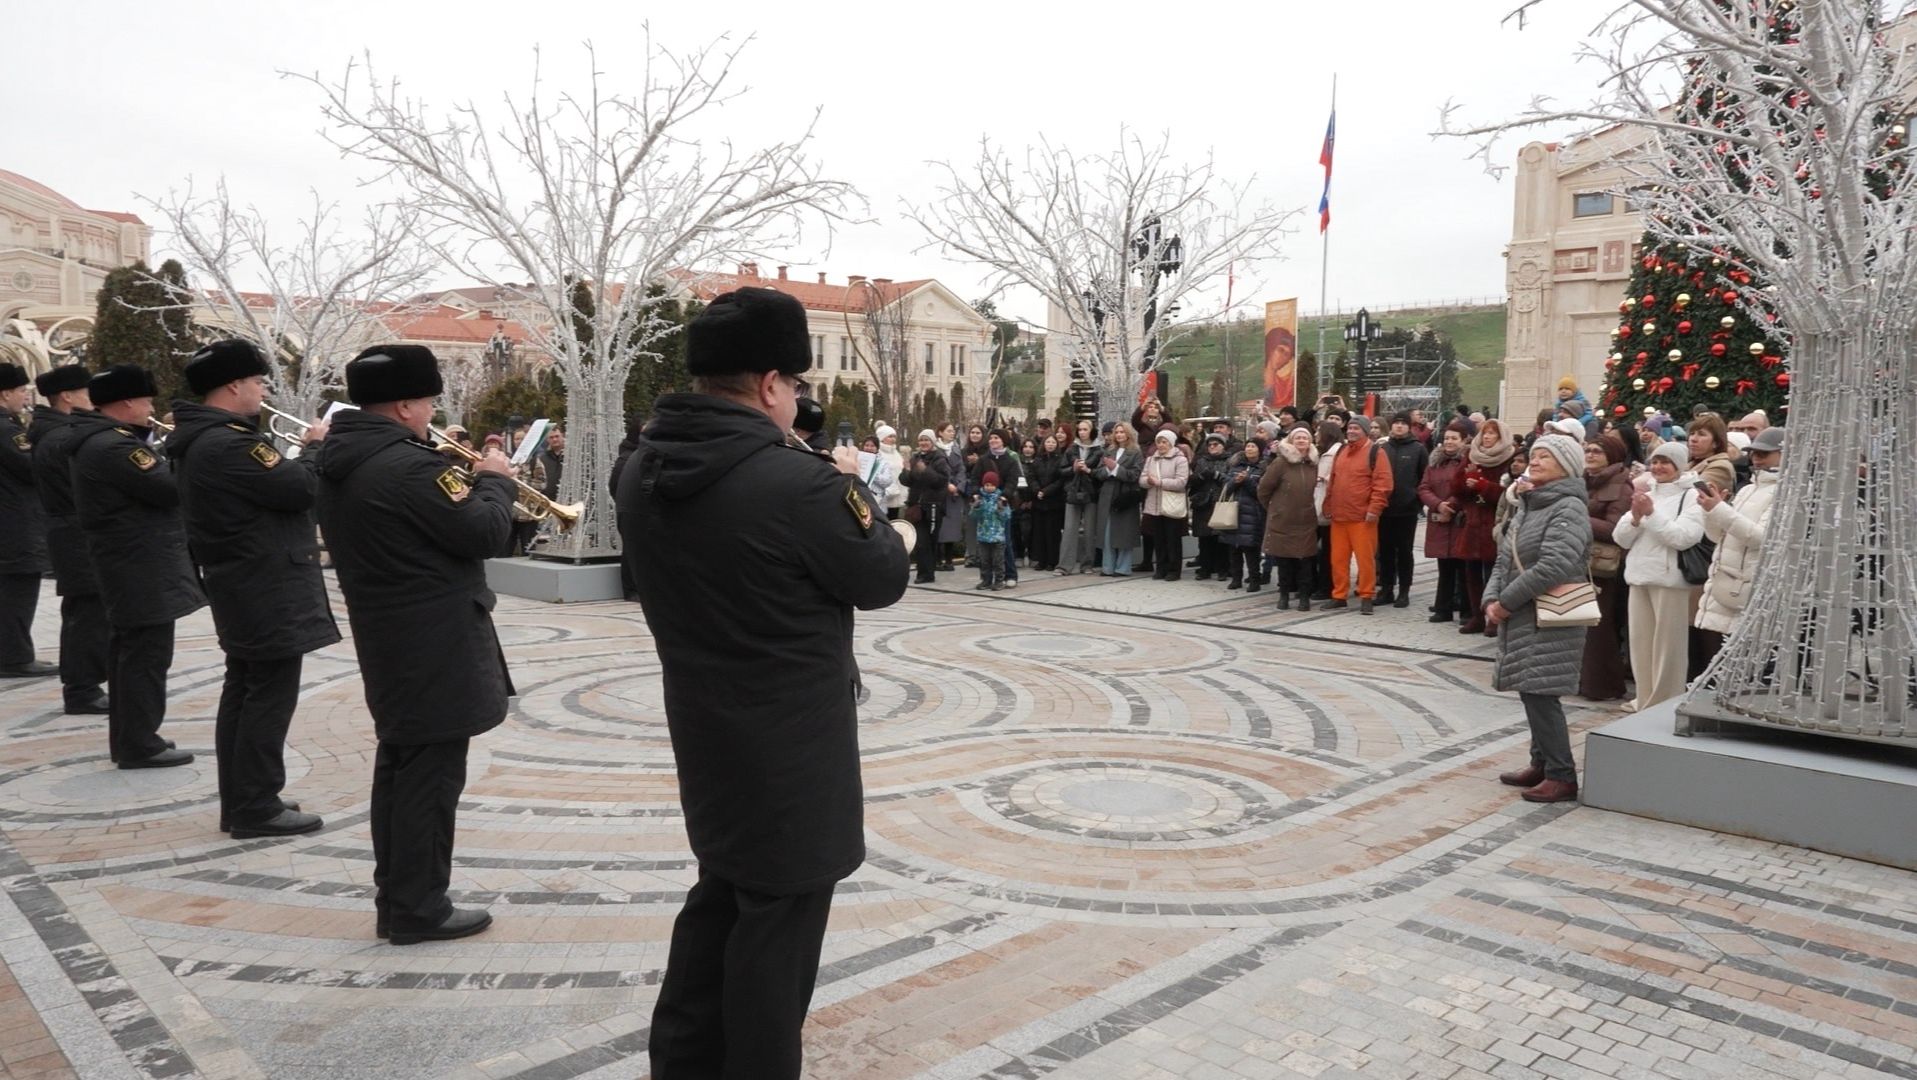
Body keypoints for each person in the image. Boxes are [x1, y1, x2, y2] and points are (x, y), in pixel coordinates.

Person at [613, 287, 908, 1079]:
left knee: (719, 905)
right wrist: (858, 491)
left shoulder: (639, 467)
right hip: (793, 748)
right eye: (798, 388)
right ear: (774, 382)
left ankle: (681, 1065)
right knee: (776, 944)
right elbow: (882, 577)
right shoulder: (799, 483)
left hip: (705, 725)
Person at [314, 344, 517, 945]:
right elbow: (483, 532)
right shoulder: (407, 467)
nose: (432, 412)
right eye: (428, 401)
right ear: (404, 404)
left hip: (394, 637)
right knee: (429, 780)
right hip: (434, 642)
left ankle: (401, 895)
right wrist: (495, 485)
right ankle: (417, 907)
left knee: (403, 771)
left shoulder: (343, 456)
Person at [166, 341, 339, 836]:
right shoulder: (230, 442)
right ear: (234, 386)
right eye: (259, 383)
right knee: (266, 695)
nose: (263, 392)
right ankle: (254, 807)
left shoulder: (207, 439)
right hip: (264, 583)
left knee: (245, 690)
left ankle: (247, 796)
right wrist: (314, 447)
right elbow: (299, 490)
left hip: (244, 580)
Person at [69, 366, 205, 768]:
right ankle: (139, 743)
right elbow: (169, 489)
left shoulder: (104, 440)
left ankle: (135, 737)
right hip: (138, 565)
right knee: (145, 658)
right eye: (147, 401)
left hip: (129, 561)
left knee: (133, 655)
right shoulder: (116, 446)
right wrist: (180, 449)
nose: (151, 409)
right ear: (128, 402)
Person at [1484, 434, 1593, 804]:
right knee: (1531, 688)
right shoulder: (1529, 503)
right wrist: (1491, 598)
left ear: (1568, 465)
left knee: (1541, 691)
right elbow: (1504, 557)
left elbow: (1555, 565)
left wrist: (1506, 603)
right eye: (1534, 454)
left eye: (1546, 455)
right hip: (1524, 611)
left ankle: (1562, 775)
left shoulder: (1569, 507)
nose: (1536, 460)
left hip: (1551, 614)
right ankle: (1541, 762)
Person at [27, 365, 110, 711]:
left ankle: (83, 685)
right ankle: (82, 689)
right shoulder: (62, 438)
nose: (94, 400)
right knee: (87, 615)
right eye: (87, 392)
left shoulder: (57, 432)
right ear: (67, 396)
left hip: (72, 533)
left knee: (85, 613)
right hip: (77, 535)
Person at [1613, 442, 1707, 713]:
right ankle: (1644, 698)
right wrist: (1635, 517)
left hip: (1670, 580)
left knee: (1668, 648)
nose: (1658, 467)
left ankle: (1664, 702)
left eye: (1665, 462)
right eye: (1655, 462)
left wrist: (1651, 515)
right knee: (1641, 645)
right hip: (1639, 576)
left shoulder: (1691, 495)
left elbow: (1683, 538)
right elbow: (1622, 538)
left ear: (1679, 465)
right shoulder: (1648, 492)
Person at [1693, 427, 1784, 670]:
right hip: (1726, 584)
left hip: (1751, 588)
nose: (1756, 458)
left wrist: (1720, 510)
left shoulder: (1786, 492)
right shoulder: (1747, 489)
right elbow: (1717, 536)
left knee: (1746, 666)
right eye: (1754, 453)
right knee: (1722, 662)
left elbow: (1761, 539)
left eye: (1764, 453)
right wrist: (1711, 510)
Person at [0, 362, 54, 678]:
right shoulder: (7, 430)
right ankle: (15, 657)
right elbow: (33, 468)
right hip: (14, 526)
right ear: (5, 393)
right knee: (16, 595)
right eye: (21, 390)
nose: (25, 396)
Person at [1580, 433, 1635, 702]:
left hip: (1605, 565)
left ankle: (1602, 685)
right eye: (1588, 450)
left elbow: (1616, 530)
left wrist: (1579, 516)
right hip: (1582, 560)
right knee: (1583, 623)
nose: (1590, 455)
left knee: (1599, 627)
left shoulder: (1622, 486)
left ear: (1611, 456)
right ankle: (1587, 680)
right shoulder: (1585, 481)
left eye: (1597, 452)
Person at [1320, 416, 1394, 614]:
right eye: (1350, 428)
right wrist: (1328, 505)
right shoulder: (1342, 451)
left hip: (1363, 518)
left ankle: (1366, 596)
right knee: (1338, 559)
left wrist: (1374, 509)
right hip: (1339, 516)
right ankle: (1339, 595)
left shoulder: (1375, 452)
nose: (1352, 431)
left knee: (1365, 560)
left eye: (1356, 428)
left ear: (1365, 431)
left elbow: (1383, 485)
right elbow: (1333, 481)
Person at [1457, 418, 1516, 634]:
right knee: (1472, 572)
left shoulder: (1510, 457)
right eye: (1485, 433)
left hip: (1495, 523)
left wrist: (1483, 486)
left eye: (1494, 434)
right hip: (1473, 523)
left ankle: (1494, 617)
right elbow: (1457, 488)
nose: (1488, 437)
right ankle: (1477, 616)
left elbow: (1510, 494)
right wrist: (1467, 479)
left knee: (1495, 572)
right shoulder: (1472, 455)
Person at [1258, 425, 1320, 610]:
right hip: (1283, 520)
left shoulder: (1313, 463)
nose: (1302, 441)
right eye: (1298, 438)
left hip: (1307, 520)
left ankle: (1303, 597)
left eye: (1305, 438)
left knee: (1305, 561)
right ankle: (1284, 595)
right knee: (1284, 561)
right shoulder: (1281, 463)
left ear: (1310, 442)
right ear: (1291, 441)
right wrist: (1275, 509)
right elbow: (1263, 489)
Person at [1419, 421, 1472, 624]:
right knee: (1445, 567)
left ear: (1463, 440)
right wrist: (1438, 505)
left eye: (1454, 438)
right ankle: (1443, 608)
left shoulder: (1468, 462)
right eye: (1447, 438)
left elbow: (1466, 489)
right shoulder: (1434, 463)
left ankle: (1467, 610)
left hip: (1459, 521)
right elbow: (1423, 488)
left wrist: (1450, 506)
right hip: (1439, 520)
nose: (1449, 442)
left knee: (1464, 568)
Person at [1376, 412, 1429, 608]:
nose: (1399, 426)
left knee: (1405, 552)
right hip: (1385, 509)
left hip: (1407, 510)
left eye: (1403, 423)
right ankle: (1387, 589)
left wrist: (1416, 501)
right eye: (1396, 423)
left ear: (1409, 426)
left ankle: (1404, 591)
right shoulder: (1382, 448)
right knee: (1385, 551)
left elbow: (1425, 477)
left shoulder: (1418, 449)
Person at [1141, 428, 1191, 581]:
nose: (1161, 445)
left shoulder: (1180, 459)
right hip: (1154, 504)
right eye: (1159, 442)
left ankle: (1174, 570)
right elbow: (1142, 478)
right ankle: (1160, 568)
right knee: (1158, 539)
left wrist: (1160, 482)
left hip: (1171, 504)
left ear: (1171, 443)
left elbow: (1181, 482)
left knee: (1172, 539)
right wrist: (1147, 482)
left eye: (1164, 442)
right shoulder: (1151, 459)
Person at [1095, 422, 1144, 576]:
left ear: (1128, 434)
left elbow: (1135, 475)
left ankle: (1123, 567)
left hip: (1125, 496)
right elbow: (1097, 472)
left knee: (1124, 533)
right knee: (1107, 533)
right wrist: (1108, 471)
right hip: (1107, 495)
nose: (1119, 435)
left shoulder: (1136, 453)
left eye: (1122, 432)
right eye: (1117, 432)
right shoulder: (1109, 451)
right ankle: (1107, 567)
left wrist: (1116, 469)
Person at [903, 430, 951, 584]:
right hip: (916, 506)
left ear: (932, 442)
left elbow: (941, 481)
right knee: (920, 540)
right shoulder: (916, 458)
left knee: (929, 540)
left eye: (926, 440)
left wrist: (925, 470)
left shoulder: (940, 458)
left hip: (933, 506)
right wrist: (907, 471)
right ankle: (924, 572)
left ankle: (927, 573)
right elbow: (906, 481)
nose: (923, 443)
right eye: (921, 440)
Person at [1056, 419, 1102, 575]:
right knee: (1069, 529)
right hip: (1073, 492)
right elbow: (1061, 471)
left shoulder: (1099, 450)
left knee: (1089, 530)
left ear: (1091, 431)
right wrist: (1073, 468)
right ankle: (1064, 566)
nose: (1082, 432)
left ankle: (1087, 564)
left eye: (1085, 429)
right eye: (1080, 429)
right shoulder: (1071, 449)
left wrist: (1088, 470)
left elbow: (1101, 473)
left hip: (1091, 493)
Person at [1222, 439, 1267, 590]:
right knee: (1234, 548)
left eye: (1253, 446)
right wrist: (1236, 481)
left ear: (1260, 450)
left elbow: (1261, 492)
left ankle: (1255, 579)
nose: (1249, 449)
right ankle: (1236, 578)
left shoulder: (1263, 468)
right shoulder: (1235, 466)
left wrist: (1247, 481)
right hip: (1233, 511)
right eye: (1247, 446)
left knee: (1251, 549)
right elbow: (1226, 488)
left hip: (1252, 513)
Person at [1189, 434, 1232, 580]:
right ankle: (1205, 568)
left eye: (1216, 444)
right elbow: (1192, 481)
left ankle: (1223, 569)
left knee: (1221, 538)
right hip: (1203, 503)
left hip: (1221, 502)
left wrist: (1216, 475)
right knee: (1204, 538)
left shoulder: (1229, 460)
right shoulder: (1202, 461)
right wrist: (1200, 477)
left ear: (1223, 445)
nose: (1212, 447)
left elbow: (1231, 481)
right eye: (1210, 445)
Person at [1027, 432, 1066, 572]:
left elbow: (1060, 480)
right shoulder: (1037, 460)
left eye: (1053, 442)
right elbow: (1031, 477)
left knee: (1052, 533)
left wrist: (1046, 491)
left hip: (1054, 502)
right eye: (1048, 442)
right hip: (1038, 501)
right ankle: (1041, 560)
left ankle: (1052, 561)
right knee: (1039, 532)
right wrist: (1037, 490)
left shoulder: (1061, 460)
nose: (1050, 444)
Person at [970, 472, 1013, 590]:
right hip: (983, 535)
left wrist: (1001, 508)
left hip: (997, 537)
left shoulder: (1000, 499)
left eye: (992, 485)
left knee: (998, 561)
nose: (989, 487)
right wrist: (976, 506)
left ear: (996, 486)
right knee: (984, 561)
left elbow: (1006, 516)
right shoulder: (979, 499)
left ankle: (999, 581)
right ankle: (986, 580)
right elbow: (973, 516)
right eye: (987, 485)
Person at [1685, 413, 1737, 495]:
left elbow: (1692, 494)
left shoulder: (1721, 467)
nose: (1693, 439)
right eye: (1692, 434)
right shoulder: (1691, 462)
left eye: (1701, 434)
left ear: (1716, 443)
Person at [536, 426, 566, 501]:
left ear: (562, 436)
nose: (554, 439)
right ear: (547, 439)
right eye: (551, 437)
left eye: (557, 436)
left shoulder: (571, 456)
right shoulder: (542, 458)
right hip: (549, 501)